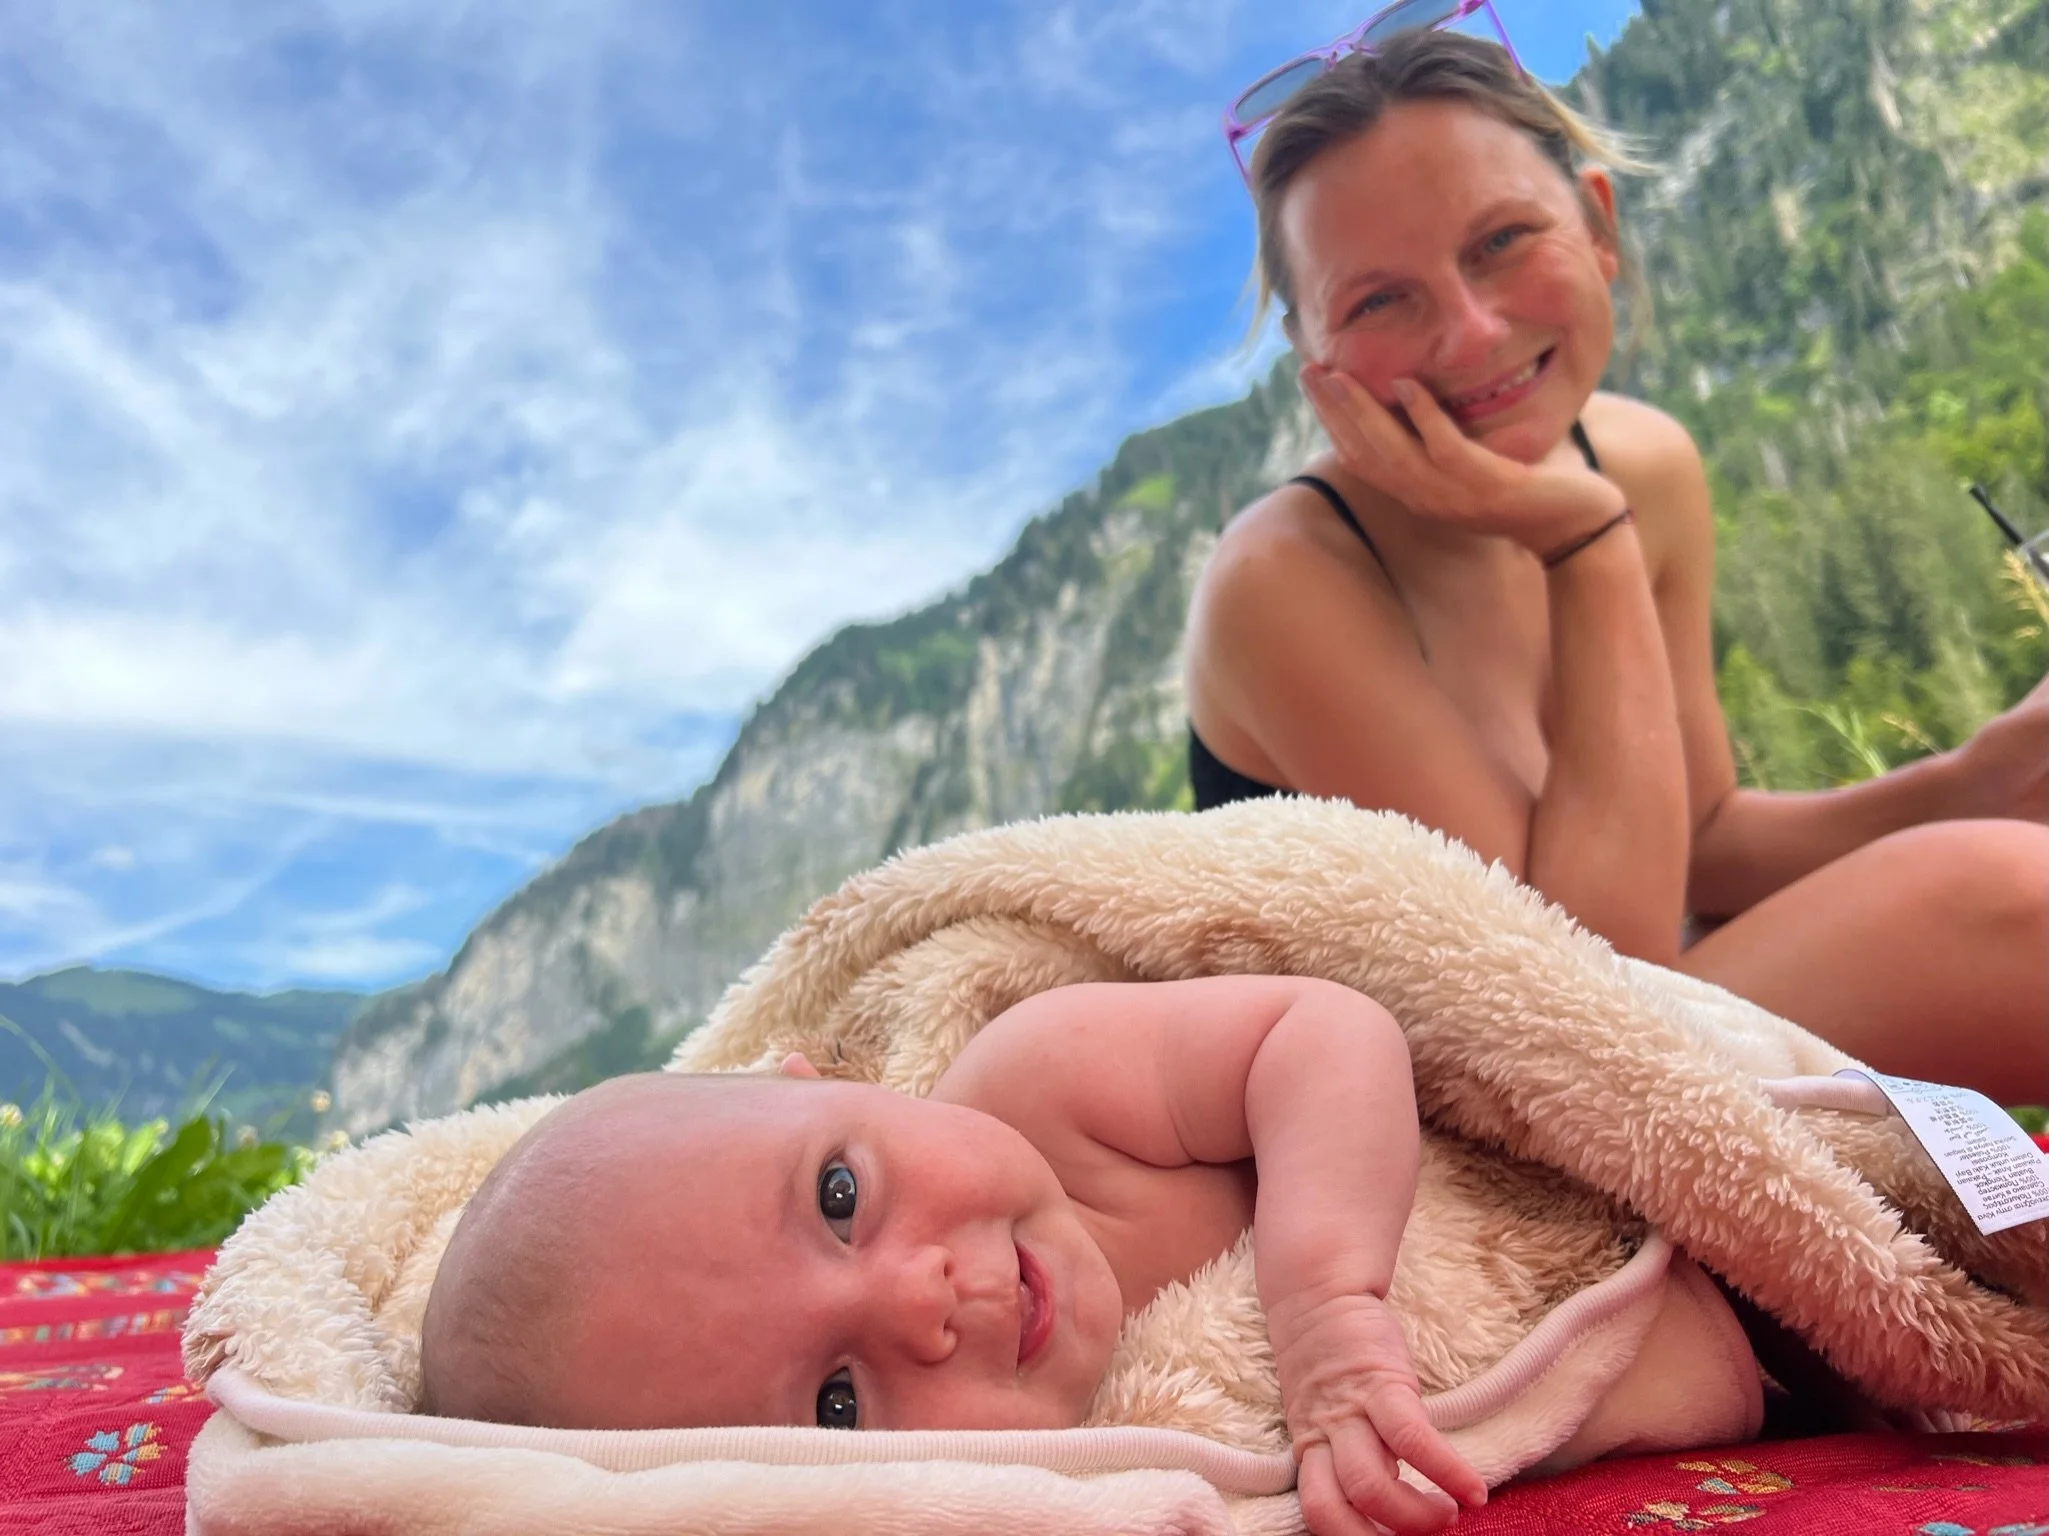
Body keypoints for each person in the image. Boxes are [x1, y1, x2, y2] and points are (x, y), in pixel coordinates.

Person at [1184, 25, 2048, 1104]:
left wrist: (1981, 774)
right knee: (2001, 898)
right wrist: (1584, 544)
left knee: (2004, 849)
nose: (1469, 331)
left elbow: (1699, 841)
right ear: (1315, 360)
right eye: (1377, 299)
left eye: (1501, 240)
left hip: (1630, 1035)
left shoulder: (1644, 461)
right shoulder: (1285, 582)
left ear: (1597, 224)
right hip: (1449, 1109)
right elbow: (1589, 992)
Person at [420, 975, 1495, 1536]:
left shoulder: (1045, 1086)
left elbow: (1318, 1033)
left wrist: (1324, 1305)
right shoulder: (1037, 1488)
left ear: (826, 1084)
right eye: (838, 1405)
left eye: (839, 1199)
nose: (918, 1300)